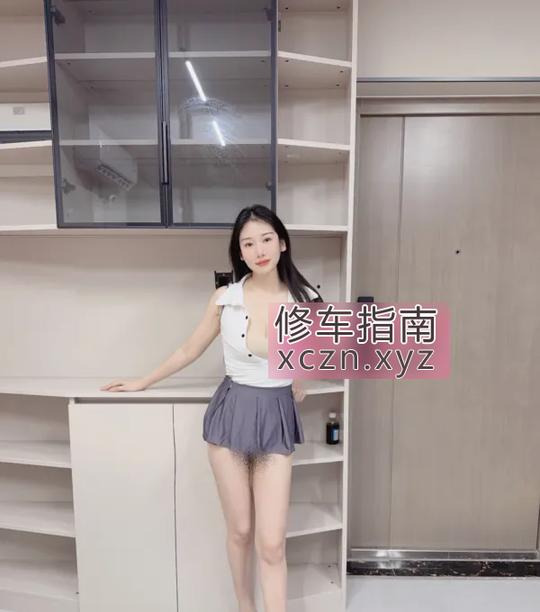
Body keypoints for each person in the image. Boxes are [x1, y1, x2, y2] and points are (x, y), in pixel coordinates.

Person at [101, 204, 322, 612]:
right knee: (240, 530)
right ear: (239, 252)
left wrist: (298, 378)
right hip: (231, 415)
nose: (259, 250)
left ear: (283, 243)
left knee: (272, 543)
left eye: (266, 239)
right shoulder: (226, 298)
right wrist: (143, 381)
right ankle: (245, 607)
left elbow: (309, 357)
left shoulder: (305, 301)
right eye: (248, 244)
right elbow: (190, 349)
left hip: (275, 418)